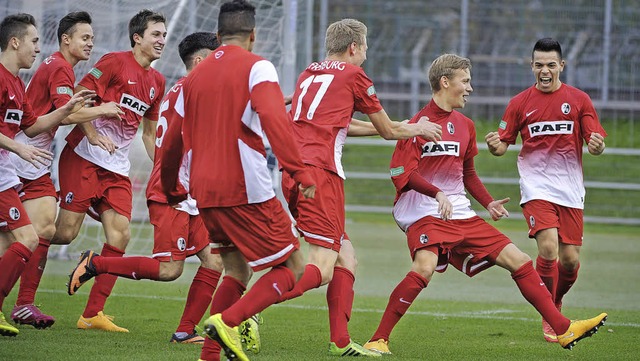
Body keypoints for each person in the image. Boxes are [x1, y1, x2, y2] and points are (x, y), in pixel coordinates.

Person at [362, 53, 607, 354]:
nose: (470, 88)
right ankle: (378, 339)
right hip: (422, 211)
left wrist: (488, 202)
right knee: (423, 268)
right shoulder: (417, 125)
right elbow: (401, 173)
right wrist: (437, 193)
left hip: (460, 213)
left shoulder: (465, 125)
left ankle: (562, 328)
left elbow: (467, 174)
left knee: (519, 260)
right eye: (465, 81)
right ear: (445, 82)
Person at [277, 18, 442, 357]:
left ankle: (339, 341)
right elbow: (387, 132)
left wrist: (402, 125)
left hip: (294, 172)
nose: (365, 55)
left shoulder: (310, 72)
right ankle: (244, 313)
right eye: (364, 48)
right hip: (320, 175)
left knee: (345, 258)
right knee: (322, 267)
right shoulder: (354, 75)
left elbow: (340, 124)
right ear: (354, 47)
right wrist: (416, 128)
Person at [161, 1, 316, 360]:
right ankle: (229, 320)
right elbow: (275, 120)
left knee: (236, 269)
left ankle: (210, 355)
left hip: (203, 191)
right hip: (245, 188)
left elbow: (172, 141)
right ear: (253, 35)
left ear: (217, 36)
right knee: (292, 268)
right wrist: (299, 170)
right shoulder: (257, 66)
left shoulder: (193, 77)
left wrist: (172, 187)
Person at [5, 11, 124, 330]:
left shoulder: (52, 67)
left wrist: (92, 130)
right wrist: (103, 110)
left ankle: (25, 304)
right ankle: (23, 303)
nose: (90, 43)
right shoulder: (58, 66)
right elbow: (65, 114)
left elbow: (57, 115)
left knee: (51, 231)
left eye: (92, 38)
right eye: (85, 38)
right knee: (34, 232)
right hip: (19, 161)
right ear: (66, 40)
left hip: (34, 159)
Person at [50, 9, 166, 333]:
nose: (161, 40)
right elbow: (78, 100)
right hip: (84, 156)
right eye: (156, 34)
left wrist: (162, 171)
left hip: (116, 168)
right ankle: (17, 244)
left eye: (164, 35)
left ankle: (91, 315)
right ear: (137, 37)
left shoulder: (157, 81)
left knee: (121, 235)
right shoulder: (115, 62)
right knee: (64, 233)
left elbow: (147, 133)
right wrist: (93, 134)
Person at [485, 38, 607, 343]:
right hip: (536, 188)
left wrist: (596, 144)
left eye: (551, 64)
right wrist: (495, 145)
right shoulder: (519, 103)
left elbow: (596, 139)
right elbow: (503, 144)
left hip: (570, 190)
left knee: (570, 260)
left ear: (561, 66)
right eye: (539, 64)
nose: (545, 70)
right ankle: (551, 316)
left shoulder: (579, 100)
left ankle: (555, 302)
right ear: (531, 66)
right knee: (549, 249)